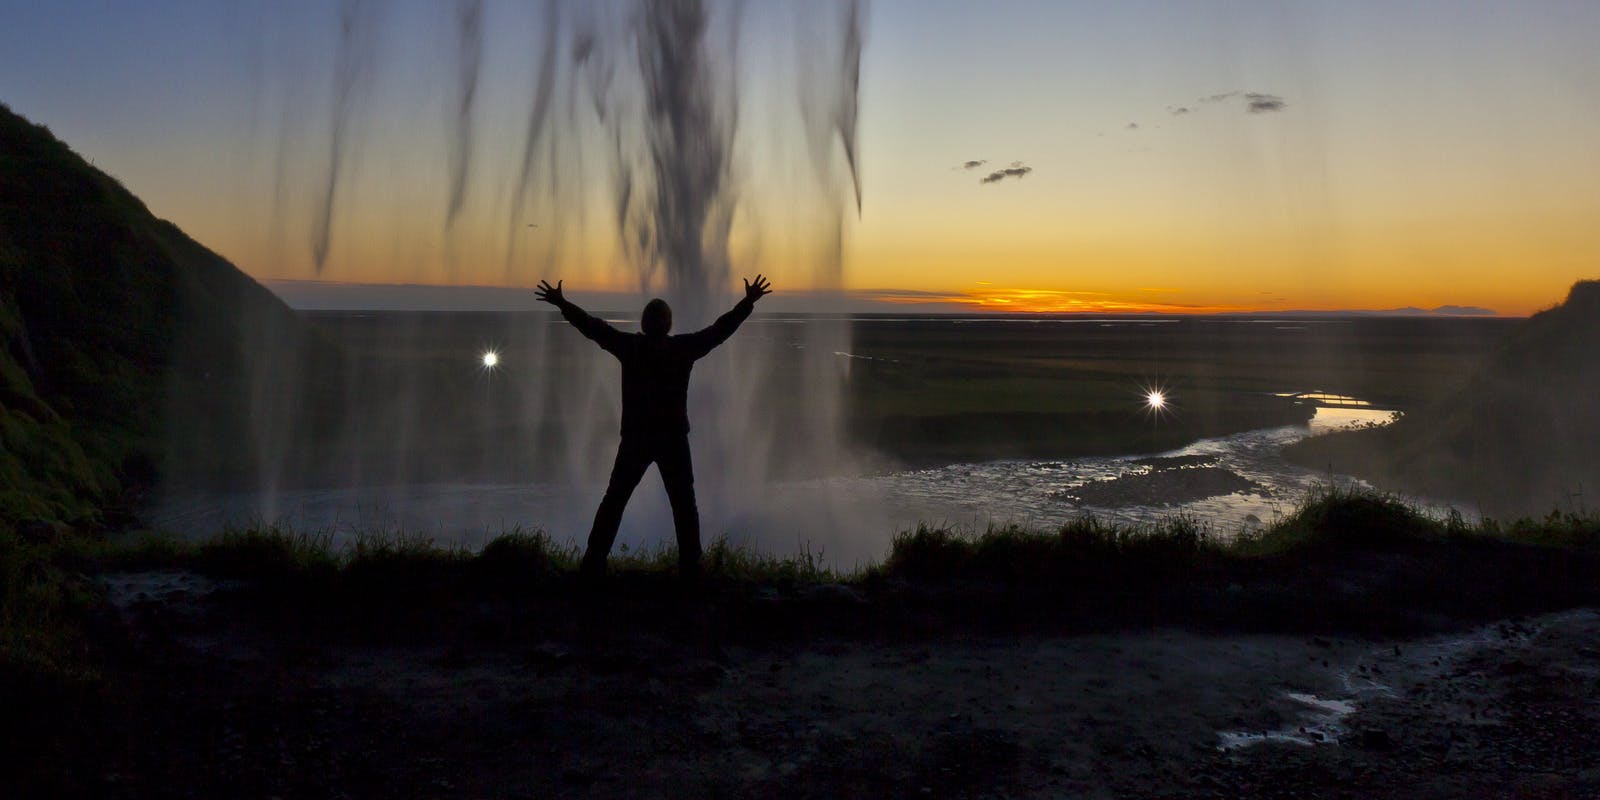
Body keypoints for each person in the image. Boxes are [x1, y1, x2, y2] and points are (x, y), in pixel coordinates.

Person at [535, 275, 773, 580]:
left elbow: (593, 328)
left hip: (636, 437)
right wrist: (747, 302)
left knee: (616, 498)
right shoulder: (682, 348)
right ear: (669, 324)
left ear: (645, 323)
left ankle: (594, 561)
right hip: (673, 438)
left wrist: (562, 304)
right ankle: (691, 566)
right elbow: (719, 331)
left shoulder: (630, 346)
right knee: (683, 502)